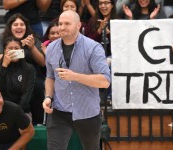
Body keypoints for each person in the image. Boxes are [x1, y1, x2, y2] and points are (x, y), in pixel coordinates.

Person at [42, 10, 111, 150]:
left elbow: (105, 80)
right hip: (59, 110)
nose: (62, 27)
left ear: (78, 25)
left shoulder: (93, 47)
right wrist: (48, 97)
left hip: (87, 111)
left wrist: (75, 76)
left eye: (67, 23)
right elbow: (50, 77)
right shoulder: (50, 49)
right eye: (60, 23)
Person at [0, 13, 45, 125]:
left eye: (22, 24)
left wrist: (31, 48)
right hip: (9, 71)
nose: (19, 27)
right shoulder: (2, 38)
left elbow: (42, 62)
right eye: (15, 24)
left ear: (26, 27)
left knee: (38, 86)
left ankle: (38, 122)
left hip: (30, 73)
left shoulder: (33, 38)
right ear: (10, 27)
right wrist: (18, 46)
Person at [0, 36, 36, 114]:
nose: (13, 51)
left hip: (22, 111)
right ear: (5, 51)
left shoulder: (29, 68)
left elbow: (27, 94)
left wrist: (17, 111)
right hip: (2, 109)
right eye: (10, 48)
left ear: (21, 50)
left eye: (16, 48)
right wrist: (4, 66)